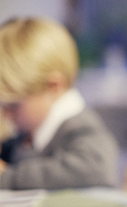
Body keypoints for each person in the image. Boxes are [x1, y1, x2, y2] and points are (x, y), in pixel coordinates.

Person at [0, 17, 118, 189]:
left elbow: (96, 169)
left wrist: (7, 177)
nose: (5, 114)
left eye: (13, 106)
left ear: (54, 87)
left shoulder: (80, 126)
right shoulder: (29, 133)